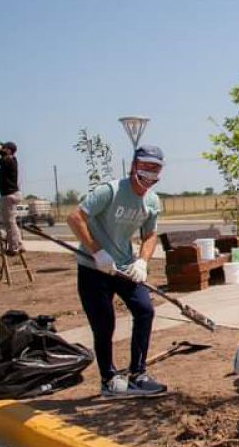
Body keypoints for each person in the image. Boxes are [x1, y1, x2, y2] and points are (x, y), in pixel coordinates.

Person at [66, 144, 166, 397]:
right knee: (104, 324)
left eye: (156, 168)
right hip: (94, 268)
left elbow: (150, 234)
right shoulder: (110, 191)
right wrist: (97, 252)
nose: (150, 173)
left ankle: (138, 373)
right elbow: (75, 217)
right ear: (134, 166)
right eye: (146, 166)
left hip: (124, 268)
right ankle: (108, 379)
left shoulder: (152, 201)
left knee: (145, 310)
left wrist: (142, 262)